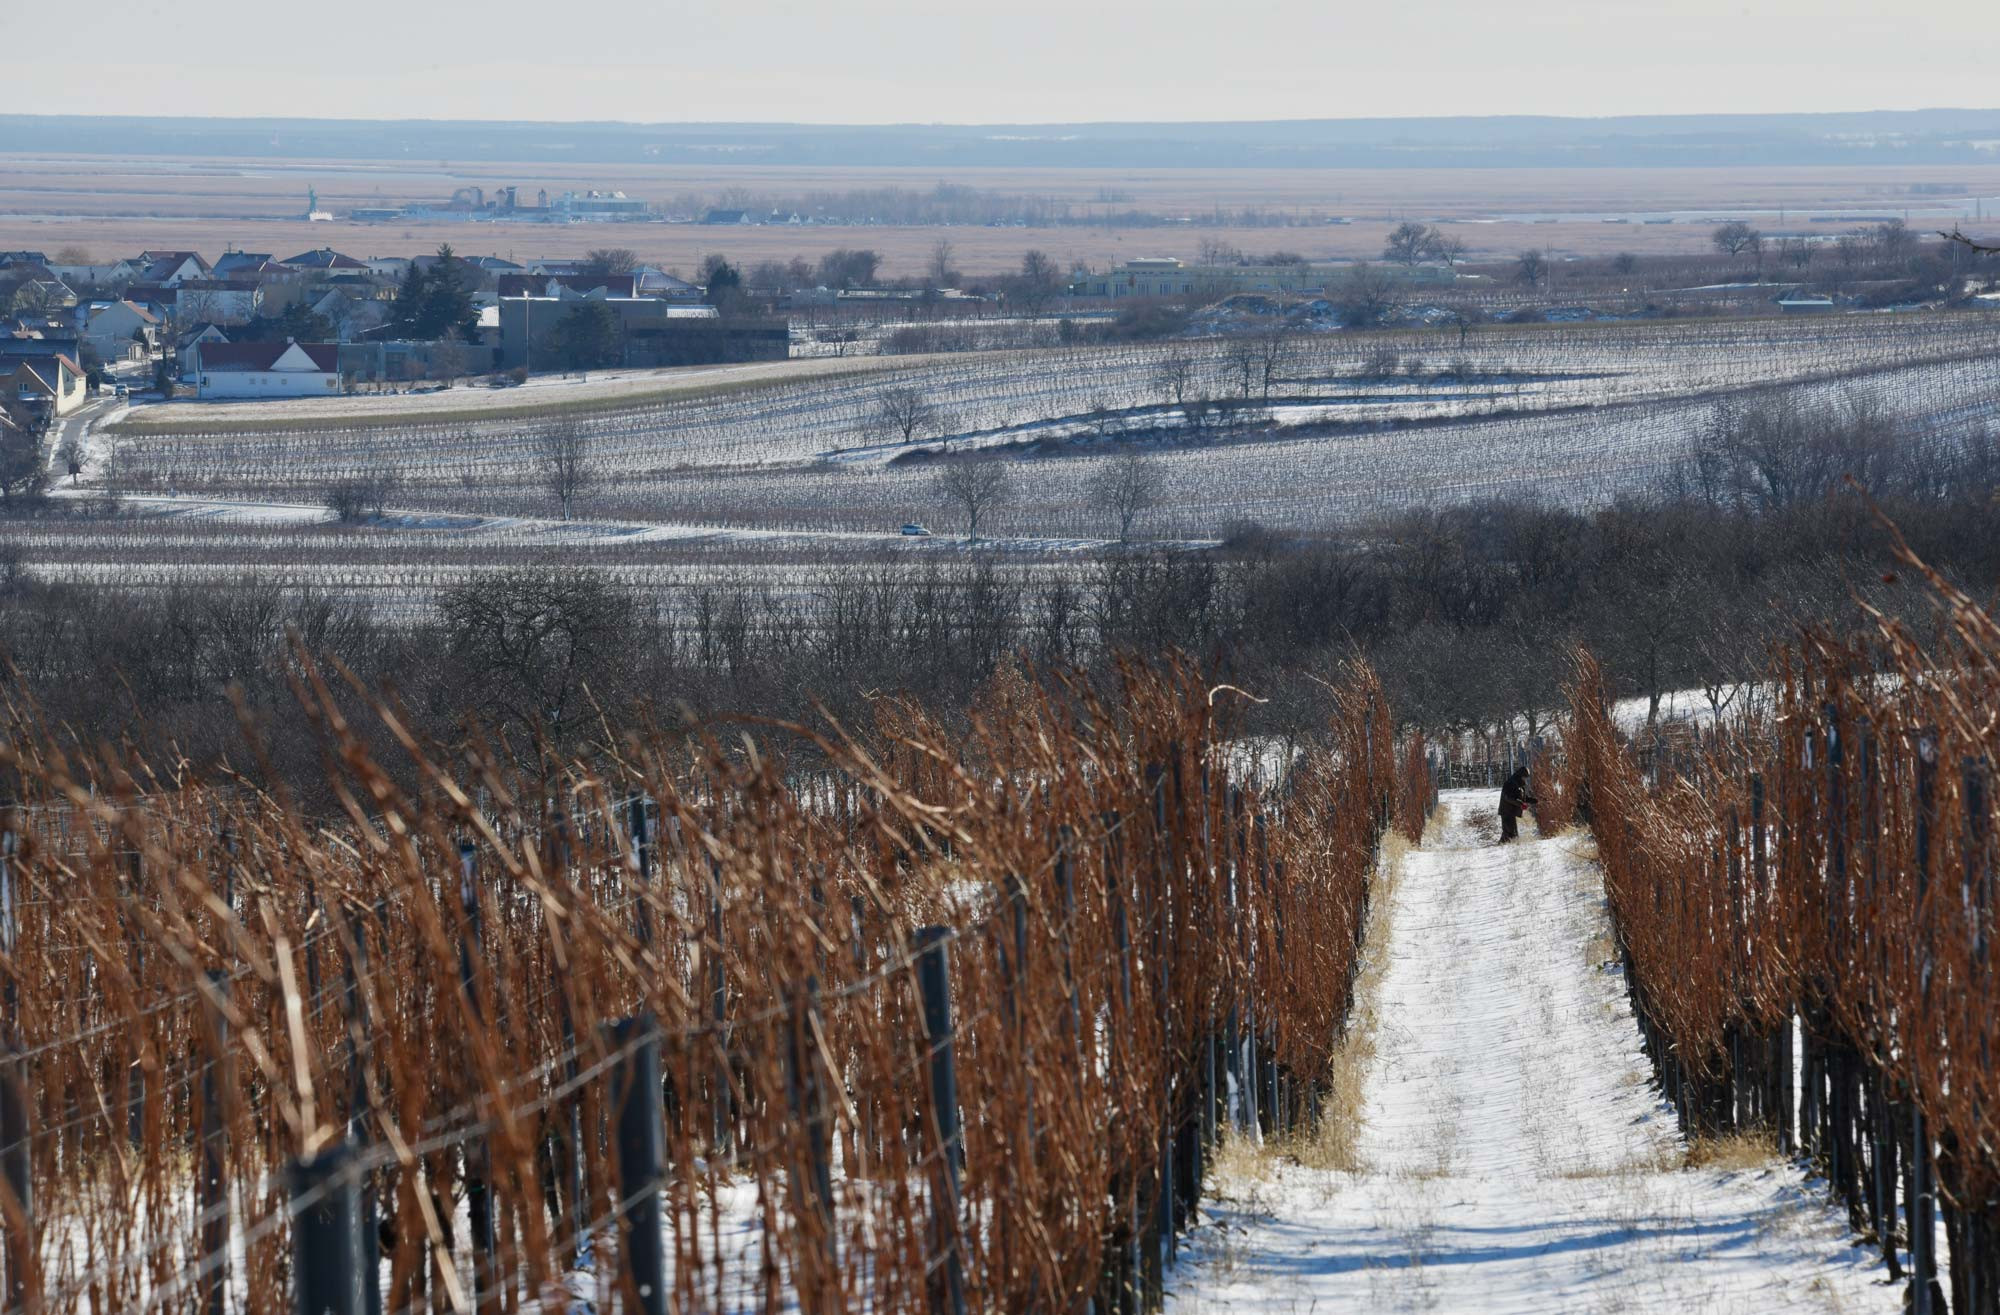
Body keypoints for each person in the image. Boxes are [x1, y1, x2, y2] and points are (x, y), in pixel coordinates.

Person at [1499, 766, 1536, 843]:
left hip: (1511, 812)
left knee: (1509, 835)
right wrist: (1521, 804)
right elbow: (1508, 797)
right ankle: (1503, 850)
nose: (1525, 779)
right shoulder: (1510, 783)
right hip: (1507, 811)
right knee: (1512, 835)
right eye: (1524, 777)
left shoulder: (1519, 784)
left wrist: (1534, 800)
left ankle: (1502, 849)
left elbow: (1523, 798)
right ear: (1520, 775)